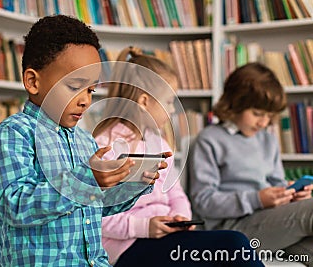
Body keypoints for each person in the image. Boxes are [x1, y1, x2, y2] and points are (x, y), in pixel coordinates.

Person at [0, 15, 170, 266]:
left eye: (91, 90)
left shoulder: (85, 141)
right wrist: (86, 180)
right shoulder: (15, 134)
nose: (85, 100)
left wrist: (133, 183)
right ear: (33, 82)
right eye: (74, 87)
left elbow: (95, 210)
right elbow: (15, 206)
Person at [93, 47, 264, 267]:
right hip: (127, 247)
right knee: (233, 244)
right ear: (144, 101)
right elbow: (95, 215)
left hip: (167, 236)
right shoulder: (104, 146)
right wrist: (145, 227)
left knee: (232, 246)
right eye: (169, 101)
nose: (173, 110)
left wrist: (180, 218)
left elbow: (176, 194)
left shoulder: (159, 143)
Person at [190, 62, 313, 266]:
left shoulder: (267, 140)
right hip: (232, 230)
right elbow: (203, 202)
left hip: (270, 223)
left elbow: (277, 184)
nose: (263, 123)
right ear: (235, 103)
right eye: (257, 114)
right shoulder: (209, 140)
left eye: (268, 116)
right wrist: (257, 199)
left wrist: (291, 195)